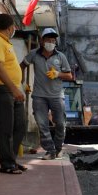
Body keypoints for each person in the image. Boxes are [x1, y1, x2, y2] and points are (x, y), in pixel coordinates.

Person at [0, 14, 27, 174]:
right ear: (10, 28)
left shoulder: (4, 42)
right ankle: (7, 164)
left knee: (20, 126)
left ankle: (12, 160)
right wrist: (14, 89)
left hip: (11, 90)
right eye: (14, 27)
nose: (14, 29)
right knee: (6, 128)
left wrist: (16, 88)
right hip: (1, 89)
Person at [22, 28, 73, 160]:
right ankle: (50, 150)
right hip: (39, 95)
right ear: (42, 41)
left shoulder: (60, 56)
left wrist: (58, 74)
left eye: (53, 40)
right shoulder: (34, 54)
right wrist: (21, 82)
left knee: (60, 123)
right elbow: (21, 65)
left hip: (56, 96)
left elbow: (69, 76)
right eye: (48, 40)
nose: (51, 42)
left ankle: (58, 148)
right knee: (42, 123)